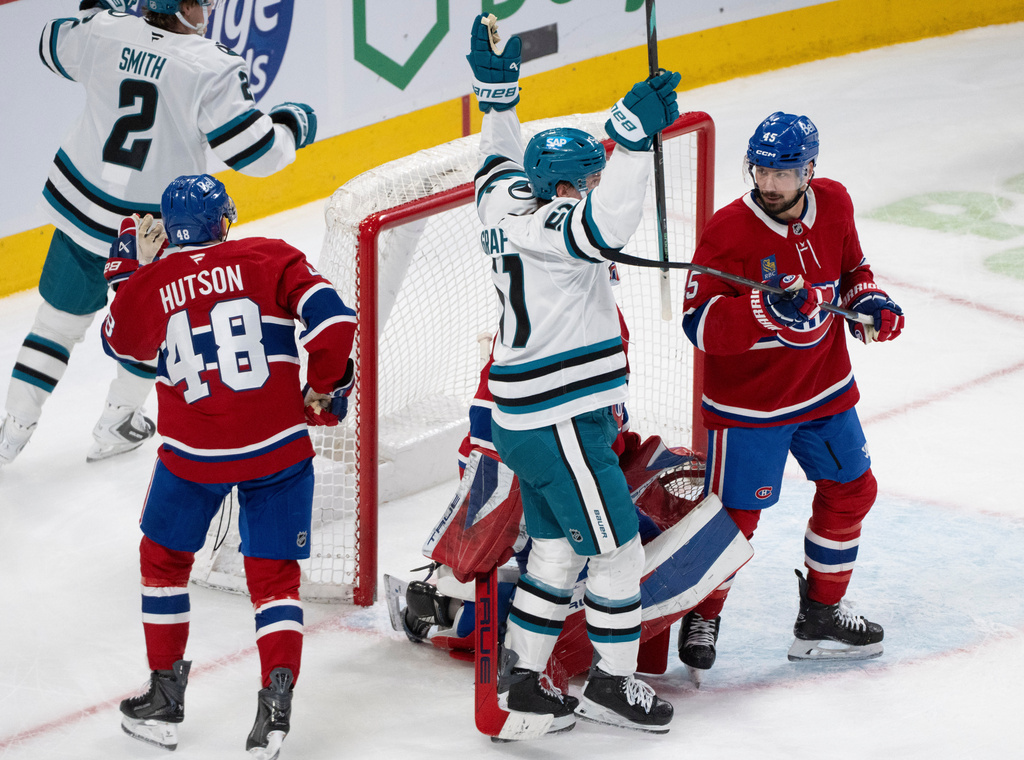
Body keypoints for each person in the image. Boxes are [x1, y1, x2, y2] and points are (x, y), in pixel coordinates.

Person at [467, 13, 682, 734]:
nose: (594, 184)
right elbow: (607, 226)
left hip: (526, 418)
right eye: (586, 178)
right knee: (616, 551)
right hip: (561, 420)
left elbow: (498, 153)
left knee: (557, 549)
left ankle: (523, 675)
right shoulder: (558, 230)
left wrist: (496, 92)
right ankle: (612, 687)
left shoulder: (501, 199)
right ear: (563, 188)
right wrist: (628, 136)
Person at [0, 0, 317, 467]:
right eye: (200, 1)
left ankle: (12, 430)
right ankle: (117, 421)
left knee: (55, 323)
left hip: (84, 209)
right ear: (184, 7)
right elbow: (256, 154)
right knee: (153, 327)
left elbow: (50, 42)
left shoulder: (105, 33)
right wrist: (294, 123)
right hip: (151, 231)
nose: (207, 7)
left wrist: (94, 11)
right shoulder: (210, 66)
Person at [102, 174, 355, 757]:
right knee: (274, 581)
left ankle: (165, 699)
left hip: (195, 456)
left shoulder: (154, 281)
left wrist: (132, 271)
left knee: (163, 562)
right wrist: (322, 385)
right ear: (223, 219)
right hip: (278, 448)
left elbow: (122, 346)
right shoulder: (271, 255)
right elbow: (336, 322)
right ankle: (274, 711)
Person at [679, 111, 906, 683]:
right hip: (750, 407)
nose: (771, 184)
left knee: (853, 490)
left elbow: (852, 269)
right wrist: (763, 309)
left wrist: (871, 304)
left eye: (783, 172)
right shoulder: (726, 231)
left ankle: (821, 615)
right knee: (737, 517)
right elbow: (698, 325)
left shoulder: (834, 202)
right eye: (761, 170)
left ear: (809, 170)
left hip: (825, 390)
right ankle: (703, 615)